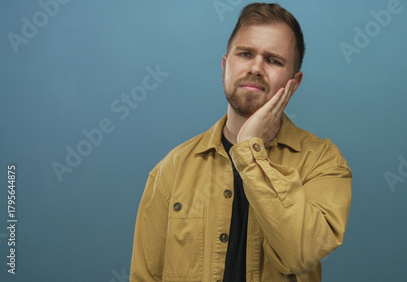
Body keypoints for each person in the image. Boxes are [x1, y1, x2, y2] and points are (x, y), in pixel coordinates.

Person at [130, 3, 352, 281]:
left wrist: (249, 148)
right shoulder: (171, 169)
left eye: (273, 60)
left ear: (293, 83)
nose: (256, 68)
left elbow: (299, 253)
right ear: (225, 65)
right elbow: (145, 276)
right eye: (245, 54)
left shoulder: (323, 162)